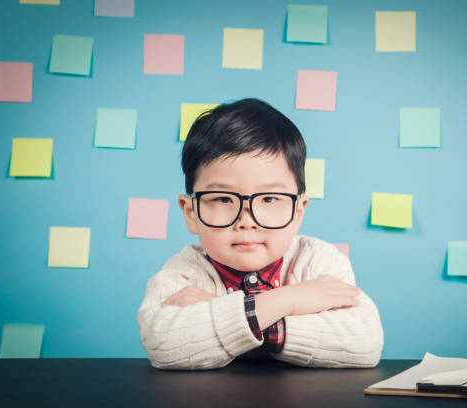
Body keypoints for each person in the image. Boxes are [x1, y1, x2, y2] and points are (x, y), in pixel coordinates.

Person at [137, 98, 383, 370]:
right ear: (191, 213)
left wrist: (224, 313)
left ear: (298, 212)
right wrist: (289, 299)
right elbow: (165, 344)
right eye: (222, 199)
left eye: (269, 199)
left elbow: (365, 342)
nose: (247, 221)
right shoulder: (182, 273)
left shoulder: (319, 260)